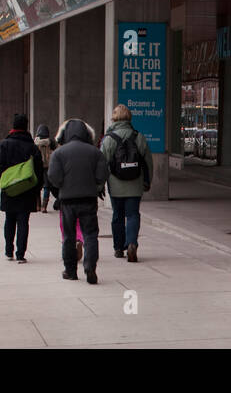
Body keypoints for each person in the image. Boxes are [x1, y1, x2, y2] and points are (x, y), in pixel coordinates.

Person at [48, 118, 109, 282]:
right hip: (88, 199)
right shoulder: (95, 153)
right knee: (90, 234)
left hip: (67, 200)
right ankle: (90, 267)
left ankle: (70, 270)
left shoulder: (59, 153)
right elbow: (102, 175)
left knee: (69, 235)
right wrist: (94, 186)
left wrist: (62, 186)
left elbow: (53, 176)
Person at [100, 104, 153, 262]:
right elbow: (148, 162)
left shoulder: (109, 139)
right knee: (132, 215)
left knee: (117, 216)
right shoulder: (139, 137)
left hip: (115, 185)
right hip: (135, 184)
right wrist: (147, 180)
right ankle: (131, 243)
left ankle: (118, 248)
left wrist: (99, 185)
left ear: (114, 118)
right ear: (129, 118)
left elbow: (101, 164)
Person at [0, 113, 44, 263]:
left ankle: (9, 250)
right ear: (26, 127)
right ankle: (21, 254)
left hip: (9, 188)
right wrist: (37, 189)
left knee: (9, 219)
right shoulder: (32, 147)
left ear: (13, 126)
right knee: (23, 221)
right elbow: (39, 171)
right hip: (27, 190)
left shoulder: (5, 144)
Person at [34, 124, 55, 213]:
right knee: (47, 186)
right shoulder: (51, 142)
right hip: (48, 167)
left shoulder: (35, 142)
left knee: (37, 186)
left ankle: (37, 205)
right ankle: (44, 207)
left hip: (37, 167)